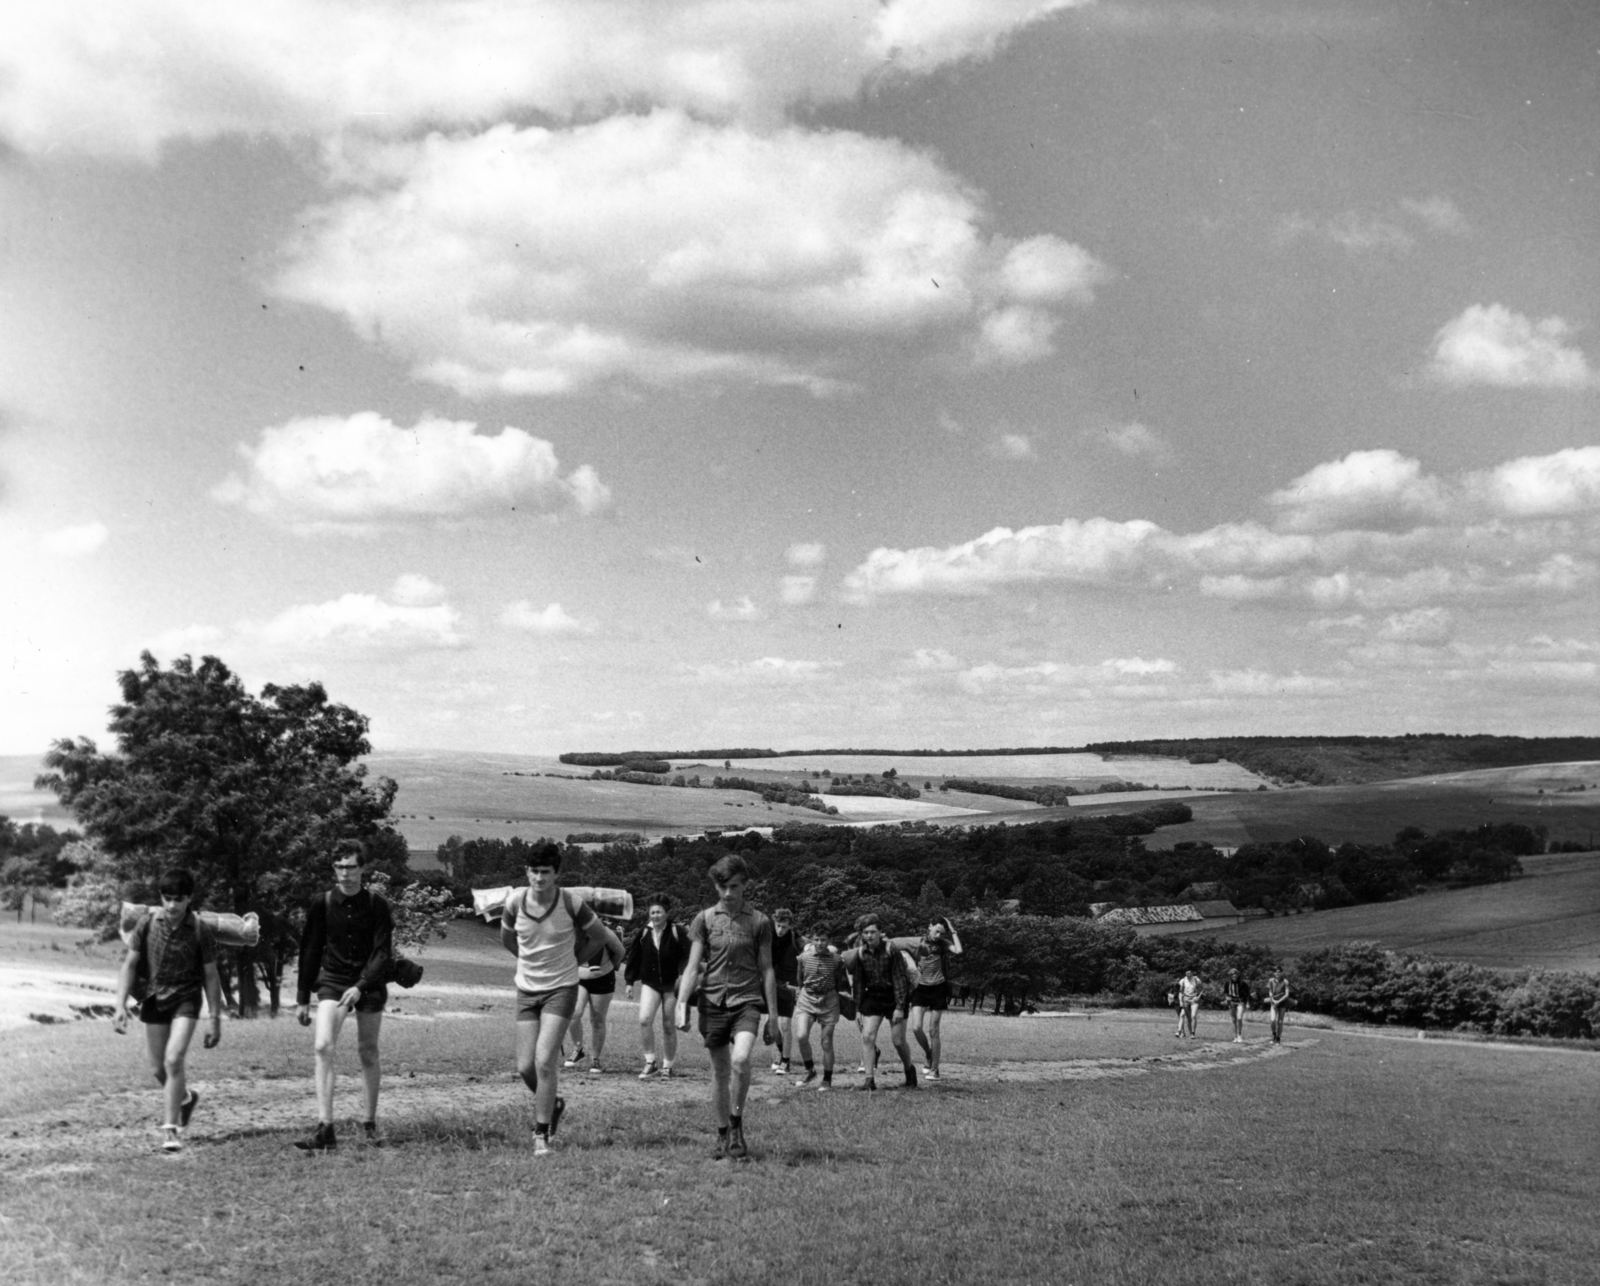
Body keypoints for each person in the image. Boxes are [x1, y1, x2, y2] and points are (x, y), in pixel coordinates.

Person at [501, 842, 623, 1157]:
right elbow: (507, 939)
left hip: (562, 989)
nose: (539, 878)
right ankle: (553, 1104)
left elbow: (600, 936)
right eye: (534, 872)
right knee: (525, 1065)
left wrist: (575, 959)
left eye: (546, 872)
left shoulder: (570, 903)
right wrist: (526, 962)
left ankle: (541, 1136)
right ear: (526, 872)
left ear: (556, 873)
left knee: (545, 1060)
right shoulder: (515, 903)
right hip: (527, 990)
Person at [675, 854, 781, 1161]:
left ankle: (736, 1125)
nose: (728, 893)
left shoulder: (760, 922)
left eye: (734, 886)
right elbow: (693, 966)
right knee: (720, 1071)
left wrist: (773, 1017)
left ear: (746, 884)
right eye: (722, 887)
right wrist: (682, 1002)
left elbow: (768, 970)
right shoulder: (705, 919)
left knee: (741, 1060)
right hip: (712, 1002)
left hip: (747, 1001)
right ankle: (722, 1134)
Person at [114, 868, 223, 1153]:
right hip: (153, 997)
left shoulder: (201, 930)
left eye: (179, 899)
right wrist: (119, 1005)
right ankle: (185, 1098)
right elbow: (129, 965)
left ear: (189, 898)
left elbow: (211, 976)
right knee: (157, 1069)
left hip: (186, 999)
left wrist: (214, 1019)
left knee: (174, 1060)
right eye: (167, 898)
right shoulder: (147, 924)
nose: (172, 905)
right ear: (161, 897)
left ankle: (170, 1130)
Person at [294, 843, 393, 1151]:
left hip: (370, 982)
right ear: (333, 869)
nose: (345, 873)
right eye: (340, 867)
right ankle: (325, 1129)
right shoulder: (321, 903)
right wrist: (301, 998)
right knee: (323, 1045)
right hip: (334, 981)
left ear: (362, 868)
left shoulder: (378, 904)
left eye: (351, 867)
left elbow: (382, 953)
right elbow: (309, 950)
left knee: (367, 1051)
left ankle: (368, 1124)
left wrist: (361, 986)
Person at [843, 914, 917, 1091]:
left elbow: (900, 978)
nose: (869, 936)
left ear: (880, 932)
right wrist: (859, 1008)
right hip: (873, 996)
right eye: (866, 932)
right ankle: (869, 1080)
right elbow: (859, 982)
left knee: (898, 1040)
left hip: (894, 995)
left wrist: (900, 1007)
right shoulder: (860, 953)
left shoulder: (891, 950)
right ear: (862, 934)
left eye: (873, 932)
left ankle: (910, 1071)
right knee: (867, 1036)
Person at [888, 915, 963, 1081]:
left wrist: (953, 931)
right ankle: (929, 1053)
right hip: (920, 989)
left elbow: (958, 951)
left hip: (938, 988)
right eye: (936, 931)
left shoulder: (943, 944)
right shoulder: (918, 942)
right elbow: (894, 942)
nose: (938, 936)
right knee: (916, 1027)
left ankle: (935, 1069)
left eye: (941, 933)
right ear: (929, 926)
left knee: (933, 1030)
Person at [623, 892, 687, 1079]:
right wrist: (629, 982)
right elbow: (634, 957)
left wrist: (684, 978)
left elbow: (687, 956)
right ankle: (650, 1062)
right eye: (652, 912)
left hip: (671, 984)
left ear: (667, 913)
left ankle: (668, 1066)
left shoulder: (677, 931)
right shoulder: (644, 932)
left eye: (659, 912)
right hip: (650, 983)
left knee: (668, 1025)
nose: (655, 916)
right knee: (644, 1019)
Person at [791, 925, 849, 1090]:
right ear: (812, 939)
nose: (820, 943)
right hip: (807, 998)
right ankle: (810, 1070)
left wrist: (834, 994)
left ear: (829, 941)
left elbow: (841, 981)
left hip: (829, 1001)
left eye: (823, 940)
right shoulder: (803, 957)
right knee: (801, 1035)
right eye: (816, 939)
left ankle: (827, 1079)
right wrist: (799, 993)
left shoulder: (836, 959)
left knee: (826, 1041)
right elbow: (799, 978)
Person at [567, 924, 622, 1074]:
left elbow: (620, 952)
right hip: (579, 978)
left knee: (597, 1019)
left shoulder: (605, 932)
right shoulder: (572, 932)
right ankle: (578, 1049)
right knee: (574, 1013)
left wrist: (612, 967)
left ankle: (595, 1060)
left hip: (603, 979)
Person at [769, 906, 799, 1076]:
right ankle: (780, 1054)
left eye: (784, 927)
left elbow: (809, 946)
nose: (780, 929)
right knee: (773, 1025)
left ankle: (785, 1062)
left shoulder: (796, 938)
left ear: (790, 926)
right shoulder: (768, 937)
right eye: (778, 925)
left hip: (787, 985)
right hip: (769, 984)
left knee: (785, 1024)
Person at [1223, 967, 1251, 1043]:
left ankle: (1239, 1035)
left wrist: (1247, 1002)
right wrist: (1226, 999)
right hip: (1231, 1002)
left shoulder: (1242, 983)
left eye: (1235, 974)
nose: (1234, 976)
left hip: (1240, 1002)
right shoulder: (1227, 983)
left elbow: (1248, 993)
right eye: (1232, 975)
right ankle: (1235, 1036)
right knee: (1233, 1020)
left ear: (1238, 975)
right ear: (1230, 976)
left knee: (1239, 1018)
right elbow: (1225, 992)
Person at [1264, 969, 1291, 1044]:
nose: (1277, 973)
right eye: (1276, 972)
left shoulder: (1285, 981)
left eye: (1279, 972)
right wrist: (1272, 998)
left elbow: (1287, 994)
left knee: (1280, 1021)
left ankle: (1278, 1039)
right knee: (1273, 1020)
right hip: (1273, 1002)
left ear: (1282, 973)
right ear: (1274, 973)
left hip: (1282, 1003)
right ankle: (1274, 1035)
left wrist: (1278, 1001)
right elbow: (1270, 991)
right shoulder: (1271, 980)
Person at [1177, 967, 1202, 1039]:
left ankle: (1193, 1033)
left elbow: (1202, 989)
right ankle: (1190, 1033)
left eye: (1189, 974)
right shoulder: (1183, 981)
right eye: (1187, 974)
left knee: (1193, 1016)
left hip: (1194, 1000)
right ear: (1185, 974)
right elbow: (1181, 992)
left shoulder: (1196, 980)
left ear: (1192, 973)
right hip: (1186, 1000)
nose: (1188, 975)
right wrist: (1181, 1001)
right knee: (1188, 1018)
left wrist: (1198, 997)